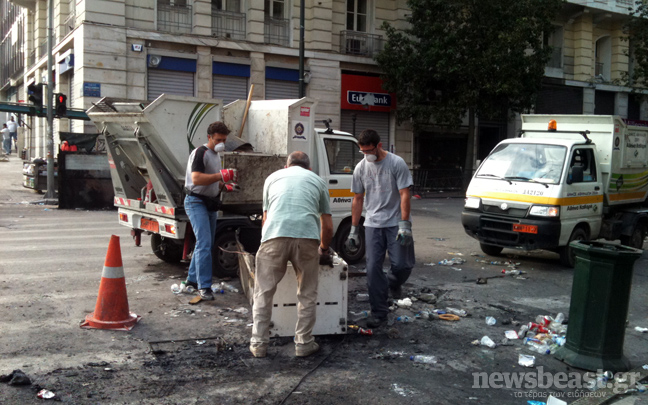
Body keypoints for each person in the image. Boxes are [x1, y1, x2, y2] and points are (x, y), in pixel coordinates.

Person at [250, 151, 334, 358]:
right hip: (307, 239)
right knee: (306, 293)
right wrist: (323, 248)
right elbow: (328, 226)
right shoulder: (318, 181)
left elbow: (265, 218)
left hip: (273, 237)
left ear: (286, 166)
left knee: (263, 292)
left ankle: (259, 345)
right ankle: (303, 343)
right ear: (309, 168)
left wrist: (268, 243)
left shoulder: (272, 178)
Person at [347, 129, 415, 329]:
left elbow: (404, 194)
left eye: (369, 150)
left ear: (379, 146)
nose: (366, 155)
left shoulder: (396, 163)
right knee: (372, 268)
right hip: (373, 224)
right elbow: (357, 198)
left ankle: (393, 282)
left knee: (403, 265)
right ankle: (379, 313)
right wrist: (353, 229)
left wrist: (405, 224)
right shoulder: (361, 168)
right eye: (363, 151)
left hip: (395, 223)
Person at [184, 121, 239, 301]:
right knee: (205, 244)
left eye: (224, 139)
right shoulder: (201, 153)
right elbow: (197, 179)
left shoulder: (216, 155)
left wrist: (225, 185)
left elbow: (212, 179)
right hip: (196, 201)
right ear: (209, 137)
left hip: (209, 202)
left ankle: (192, 281)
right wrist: (221, 176)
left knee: (204, 243)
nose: (221, 143)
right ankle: (204, 287)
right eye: (218, 139)